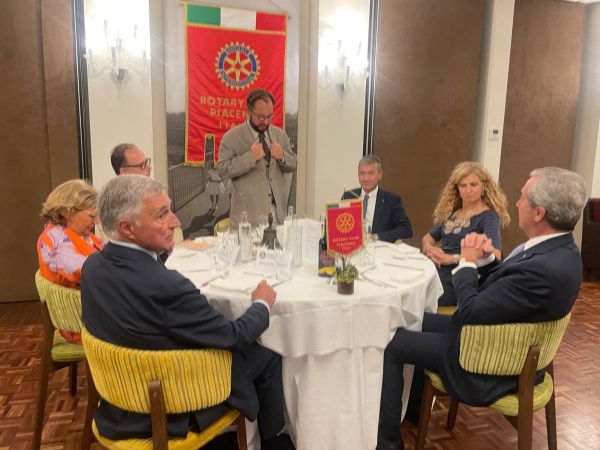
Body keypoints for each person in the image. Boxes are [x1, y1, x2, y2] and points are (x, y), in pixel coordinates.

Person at [377, 167, 587, 450]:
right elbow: (506, 289)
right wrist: (485, 259)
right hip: (496, 334)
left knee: (394, 344)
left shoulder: (543, 268)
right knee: (412, 318)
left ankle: (389, 443)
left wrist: (466, 262)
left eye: (522, 197)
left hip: (488, 357)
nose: (517, 203)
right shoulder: (559, 251)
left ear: (539, 213)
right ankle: (414, 411)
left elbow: (470, 311)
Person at [80, 175, 293, 450]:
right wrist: (261, 304)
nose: (175, 221)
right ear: (127, 228)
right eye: (161, 214)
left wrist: (162, 252)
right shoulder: (167, 286)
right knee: (268, 353)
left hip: (120, 398)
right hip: (171, 403)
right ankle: (274, 441)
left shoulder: (93, 266)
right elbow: (235, 336)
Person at [422, 162, 510, 306]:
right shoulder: (454, 212)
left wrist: (452, 258)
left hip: (458, 276)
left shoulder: (488, 216)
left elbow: (496, 255)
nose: (468, 190)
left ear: (483, 187)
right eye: (463, 185)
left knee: (419, 298)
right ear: (457, 189)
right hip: (435, 269)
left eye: (473, 185)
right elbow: (427, 239)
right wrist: (430, 249)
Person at [217, 89, 297, 228]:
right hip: (248, 220)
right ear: (248, 113)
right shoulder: (231, 137)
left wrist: (282, 156)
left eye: (269, 116)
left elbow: (294, 163)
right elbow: (222, 171)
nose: (265, 121)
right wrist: (250, 157)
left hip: (278, 216)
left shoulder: (280, 134)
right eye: (260, 117)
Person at [37, 179, 104, 342]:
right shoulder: (57, 242)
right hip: (84, 325)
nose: (96, 222)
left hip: (95, 313)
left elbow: (108, 252)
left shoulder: (77, 235)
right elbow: (95, 274)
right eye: (91, 216)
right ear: (68, 212)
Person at [342, 155, 412, 242]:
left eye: (370, 173)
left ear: (380, 175)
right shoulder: (348, 196)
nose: (365, 178)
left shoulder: (392, 200)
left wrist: (377, 236)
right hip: (351, 245)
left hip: (377, 246)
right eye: (362, 173)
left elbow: (406, 229)